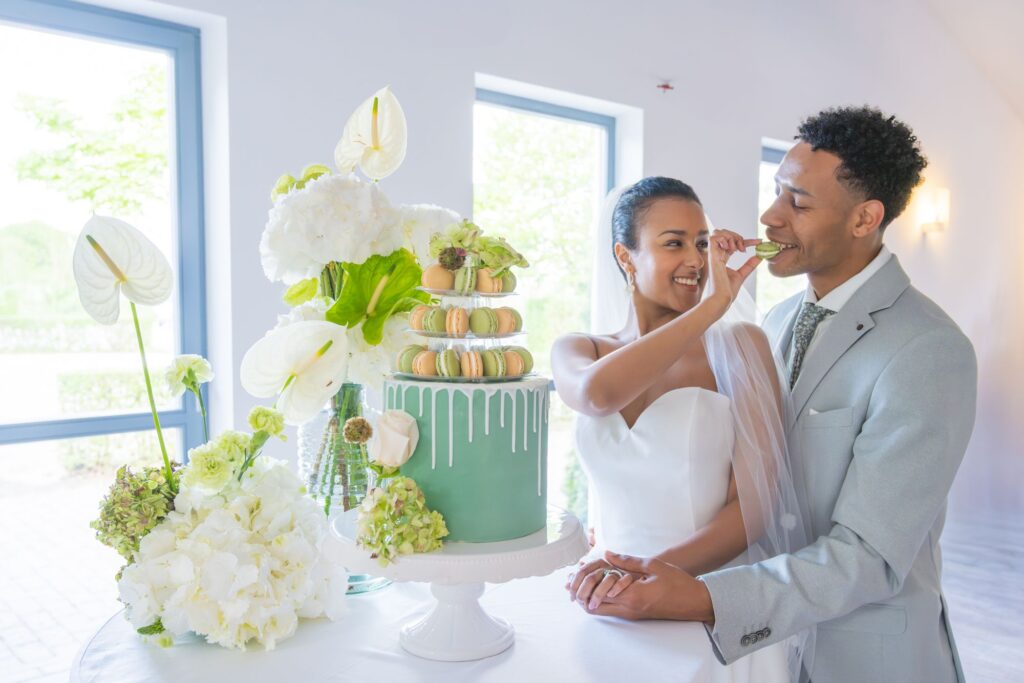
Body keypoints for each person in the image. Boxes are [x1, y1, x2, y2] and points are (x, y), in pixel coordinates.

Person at [568, 107, 977, 683]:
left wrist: (700, 596)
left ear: (865, 218)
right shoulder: (775, 321)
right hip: (758, 652)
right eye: (775, 194)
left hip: (859, 658)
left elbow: (868, 558)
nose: (768, 216)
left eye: (797, 203)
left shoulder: (929, 349)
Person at [553, 176, 809, 682]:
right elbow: (597, 396)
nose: (695, 260)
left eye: (701, 243)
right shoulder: (580, 349)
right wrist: (621, 581)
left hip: (702, 597)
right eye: (673, 243)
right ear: (625, 257)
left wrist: (649, 576)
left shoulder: (741, 346)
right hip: (608, 599)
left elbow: (754, 508)